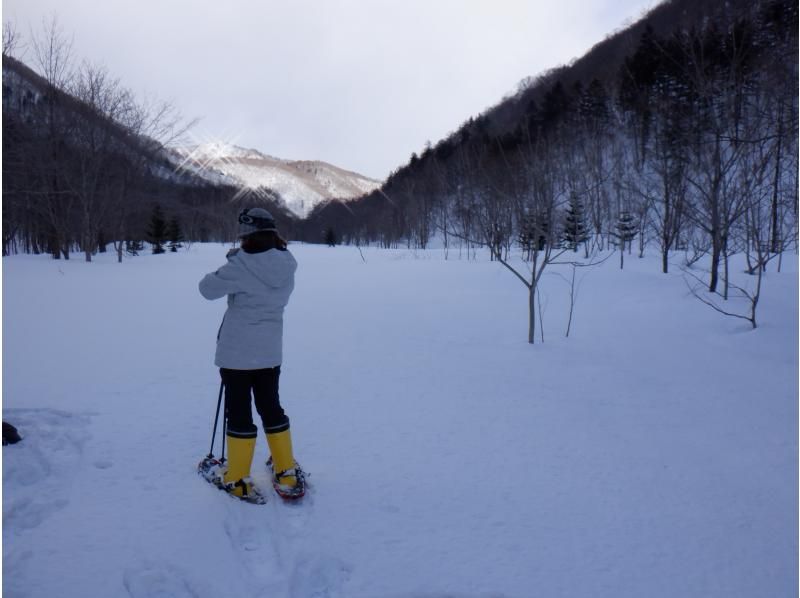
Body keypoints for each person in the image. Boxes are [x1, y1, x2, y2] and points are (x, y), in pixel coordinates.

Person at [199, 207, 303, 501]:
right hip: (269, 351)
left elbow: (206, 289)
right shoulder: (287, 263)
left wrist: (232, 261)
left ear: (245, 235)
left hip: (236, 355)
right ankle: (286, 470)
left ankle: (237, 478)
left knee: (239, 411)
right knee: (271, 406)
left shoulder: (240, 266)